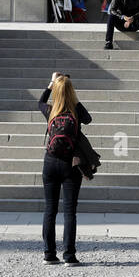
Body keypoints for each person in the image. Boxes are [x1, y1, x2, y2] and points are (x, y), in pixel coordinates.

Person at [38, 72, 92, 266]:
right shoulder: (76, 112)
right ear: (71, 92)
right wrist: (73, 99)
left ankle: (49, 254)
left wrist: (52, 83)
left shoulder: (50, 110)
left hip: (50, 162)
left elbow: (40, 102)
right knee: (70, 211)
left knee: (49, 209)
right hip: (71, 163)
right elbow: (88, 119)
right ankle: (69, 256)